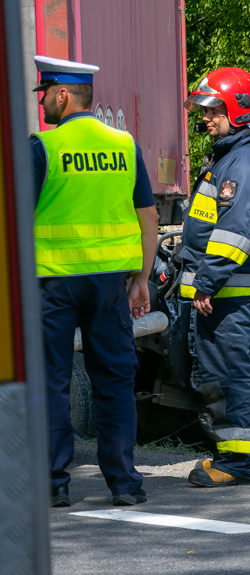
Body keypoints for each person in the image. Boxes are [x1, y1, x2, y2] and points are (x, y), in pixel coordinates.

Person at [30, 55, 158, 507]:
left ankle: (53, 484)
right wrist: (142, 277)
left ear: (61, 95)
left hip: (53, 285)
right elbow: (149, 216)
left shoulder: (42, 147)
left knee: (52, 381)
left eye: (43, 93)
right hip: (110, 286)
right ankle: (124, 483)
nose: (41, 101)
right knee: (115, 381)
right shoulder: (124, 145)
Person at [180, 67, 250, 487]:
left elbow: (237, 231)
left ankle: (238, 465)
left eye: (213, 109)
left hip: (227, 295)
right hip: (221, 293)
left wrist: (208, 282)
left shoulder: (244, 160)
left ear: (239, 111)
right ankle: (229, 457)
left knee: (231, 375)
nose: (205, 118)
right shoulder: (232, 154)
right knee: (219, 373)